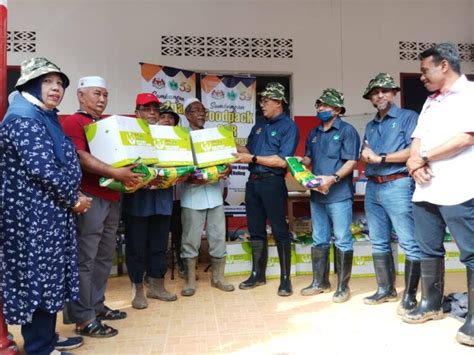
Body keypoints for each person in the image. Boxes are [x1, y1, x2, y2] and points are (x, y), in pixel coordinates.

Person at [0, 57, 91, 354]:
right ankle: (40, 346)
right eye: (47, 82)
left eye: (59, 83)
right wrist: (74, 198)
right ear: (30, 85)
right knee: (38, 278)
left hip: (48, 213)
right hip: (32, 217)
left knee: (50, 276)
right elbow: (42, 169)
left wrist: (71, 196)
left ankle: (47, 338)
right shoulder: (24, 118)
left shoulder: (43, 115)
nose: (55, 88)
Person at [401, 43, 474, 347]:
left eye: (424, 70)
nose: (421, 77)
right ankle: (430, 304)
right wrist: (413, 161)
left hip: (459, 187)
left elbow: (465, 136)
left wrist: (424, 157)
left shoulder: (469, 95)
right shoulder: (431, 101)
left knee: (471, 251)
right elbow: (417, 138)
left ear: (444, 65)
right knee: (428, 249)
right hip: (426, 190)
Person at [62, 76, 143, 338]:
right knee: (85, 259)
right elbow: (81, 157)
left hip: (111, 196)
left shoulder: (104, 124)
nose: (102, 99)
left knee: (103, 257)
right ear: (80, 96)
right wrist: (116, 173)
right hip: (90, 197)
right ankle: (83, 318)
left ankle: (96, 306)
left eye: (105, 95)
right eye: (96, 94)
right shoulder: (74, 122)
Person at [360, 73, 421, 313]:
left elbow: (413, 151)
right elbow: (367, 153)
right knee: (378, 240)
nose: (380, 95)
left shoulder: (408, 117)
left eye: (385, 90)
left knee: (408, 241)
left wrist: (380, 157)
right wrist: (365, 156)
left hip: (398, 184)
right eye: (375, 92)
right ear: (371, 99)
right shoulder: (370, 125)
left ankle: (410, 296)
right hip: (373, 185)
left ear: (394, 93)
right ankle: (385, 290)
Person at [233, 82, 299, 297]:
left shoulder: (289, 126)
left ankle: (285, 279)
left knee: (280, 230)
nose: (262, 104)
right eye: (261, 100)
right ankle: (257, 274)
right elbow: (248, 149)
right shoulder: (259, 125)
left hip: (272, 183)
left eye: (266, 101)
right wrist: (228, 142)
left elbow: (282, 161)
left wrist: (251, 158)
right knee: (255, 230)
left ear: (279, 102)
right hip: (253, 183)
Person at [298, 89, 360, 303]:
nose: (320, 108)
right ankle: (320, 282)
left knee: (342, 239)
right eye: (319, 105)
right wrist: (298, 162)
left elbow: (351, 161)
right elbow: (308, 158)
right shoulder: (314, 133)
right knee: (318, 238)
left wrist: (332, 179)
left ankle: (343, 287)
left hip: (339, 193)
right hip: (317, 194)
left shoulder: (347, 131)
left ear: (337, 109)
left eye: (325, 105)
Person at [122, 95, 178, 309]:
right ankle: (137, 289)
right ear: (137, 112)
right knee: (136, 246)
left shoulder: (169, 136)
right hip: (138, 199)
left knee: (159, 244)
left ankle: (157, 286)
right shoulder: (128, 134)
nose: (152, 113)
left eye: (156, 109)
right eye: (147, 109)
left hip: (162, 198)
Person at [179, 98, 234, 296]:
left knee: (218, 237)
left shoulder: (214, 136)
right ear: (187, 115)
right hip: (192, 196)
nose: (201, 114)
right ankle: (190, 281)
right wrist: (189, 177)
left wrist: (227, 168)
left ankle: (218, 277)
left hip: (214, 195)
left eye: (203, 110)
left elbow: (227, 162)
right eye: (195, 110)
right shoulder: (181, 137)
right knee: (191, 239)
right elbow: (177, 166)